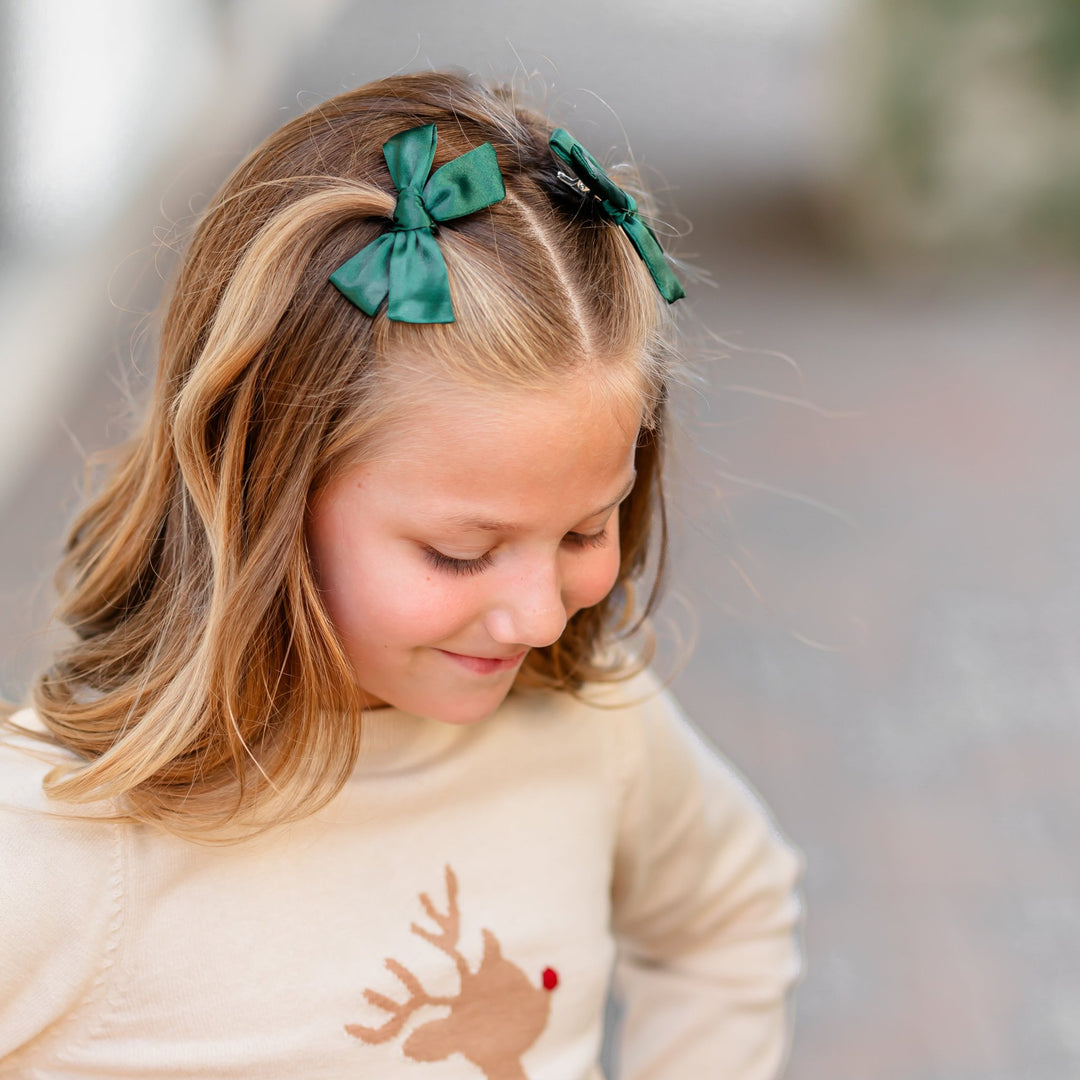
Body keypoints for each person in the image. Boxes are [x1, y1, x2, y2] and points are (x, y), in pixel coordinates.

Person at [0, 71, 801, 1079]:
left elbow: (727, 912)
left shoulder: (599, 729)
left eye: (587, 532)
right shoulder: (63, 844)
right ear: (265, 495)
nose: (537, 616)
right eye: (460, 553)